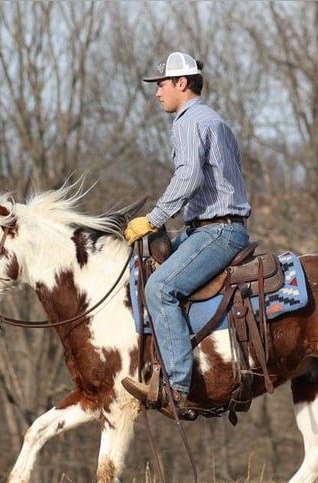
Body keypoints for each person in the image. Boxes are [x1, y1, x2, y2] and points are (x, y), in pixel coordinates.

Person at [121, 51, 251, 413]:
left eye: (161, 84)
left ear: (182, 83)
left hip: (217, 232)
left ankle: (176, 387)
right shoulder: (215, 121)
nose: (157, 92)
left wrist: (154, 218)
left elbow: (189, 177)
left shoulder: (189, 122)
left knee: (159, 288)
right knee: (146, 268)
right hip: (216, 227)